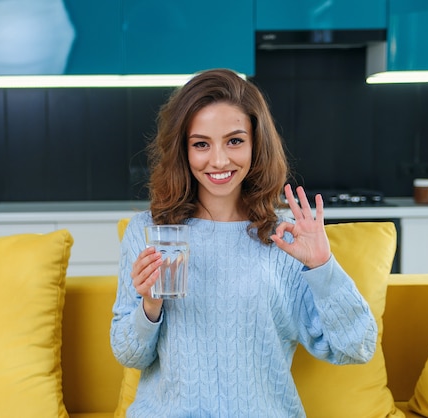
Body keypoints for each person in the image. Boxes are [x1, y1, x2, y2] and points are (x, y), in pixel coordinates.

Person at [110, 68, 377, 417]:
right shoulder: (150, 232)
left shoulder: (286, 240)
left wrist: (323, 267)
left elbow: (356, 347)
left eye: (234, 141)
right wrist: (149, 306)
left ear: (256, 144)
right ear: (183, 150)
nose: (219, 160)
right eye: (201, 144)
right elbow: (130, 355)